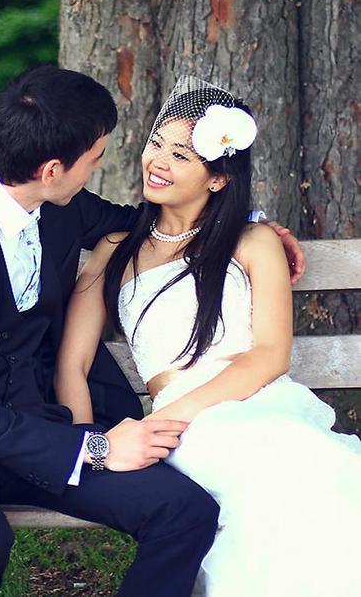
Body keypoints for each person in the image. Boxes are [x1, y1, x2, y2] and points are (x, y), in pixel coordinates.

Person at [0, 66, 301, 597]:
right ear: (51, 169)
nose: (97, 170)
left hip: (37, 423)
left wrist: (248, 226)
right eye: (93, 160)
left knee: (183, 512)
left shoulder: (62, 204)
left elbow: (153, 225)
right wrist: (93, 447)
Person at [55, 76, 361, 597]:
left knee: (311, 464)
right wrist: (92, 452)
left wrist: (166, 416)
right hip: (184, 430)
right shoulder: (116, 247)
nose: (158, 161)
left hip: (255, 405)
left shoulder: (254, 240)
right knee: (283, 465)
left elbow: (268, 356)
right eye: (157, 145)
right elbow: (72, 366)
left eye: (180, 154)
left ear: (217, 179)